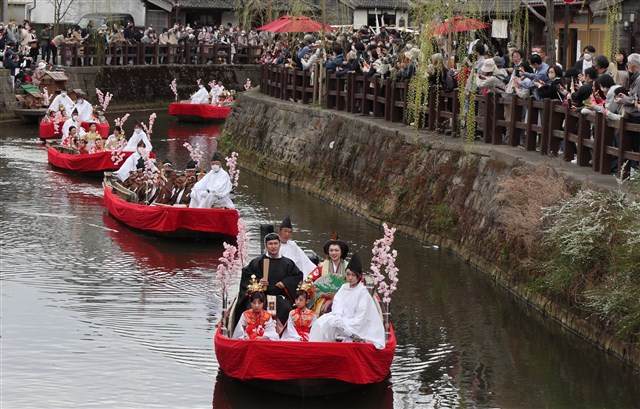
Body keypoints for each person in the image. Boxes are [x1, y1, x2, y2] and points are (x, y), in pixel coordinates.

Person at [309, 253, 385, 349]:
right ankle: (318, 349)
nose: (350, 278)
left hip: (355, 321)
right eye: (348, 274)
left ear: (359, 276)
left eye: (353, 275)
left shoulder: (362, 292)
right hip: (341, 317)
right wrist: (338, 316)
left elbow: (362, 314)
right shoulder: (344, 287)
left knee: (343, 327)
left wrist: (344, 322)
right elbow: (337, 303)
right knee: (321, 322)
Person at [234, 232, 303, 328]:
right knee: (250, 308)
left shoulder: (288, 263)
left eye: (276, 243)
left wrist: (285, 283)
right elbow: (246, 275)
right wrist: (258, 282)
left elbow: (297, 276)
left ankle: (281, 334)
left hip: (279, 296)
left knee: (286, 308)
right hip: (261, 297)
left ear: (279, 244)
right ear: (266, 245)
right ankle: (253, 332)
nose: (273, 246)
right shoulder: (257, 262)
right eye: (270, 244)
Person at [308, 233, 349, 315]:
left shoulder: (348, 267)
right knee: (327, 307)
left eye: (336, 250)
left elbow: (356, 283)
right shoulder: (321, 266)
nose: (334, 253)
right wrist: (321, 293)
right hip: (324, 298)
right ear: (328, 252)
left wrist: (337, 295)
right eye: (331, 250)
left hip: (344, 298)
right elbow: (309, 282)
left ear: (341, 252)